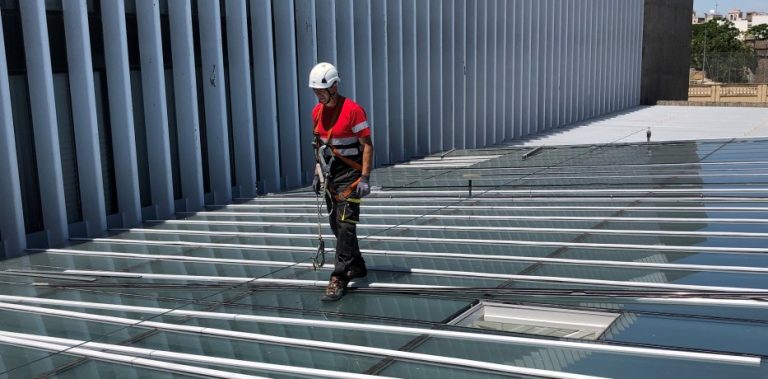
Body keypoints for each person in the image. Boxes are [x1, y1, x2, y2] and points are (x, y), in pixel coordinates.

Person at [308, 62, 374, 301]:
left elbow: (367, 145)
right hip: (331, 176)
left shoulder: (353, 111)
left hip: (351, 177)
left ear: (334, 87)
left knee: (346, 226)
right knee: (337, 226)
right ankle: (357, 266)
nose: (318, 95)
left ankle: (339, 276)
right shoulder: (317, 112)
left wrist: (365, 177)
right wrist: (317, 172)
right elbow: (319, 146)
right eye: (315, 91)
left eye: (321, 90)